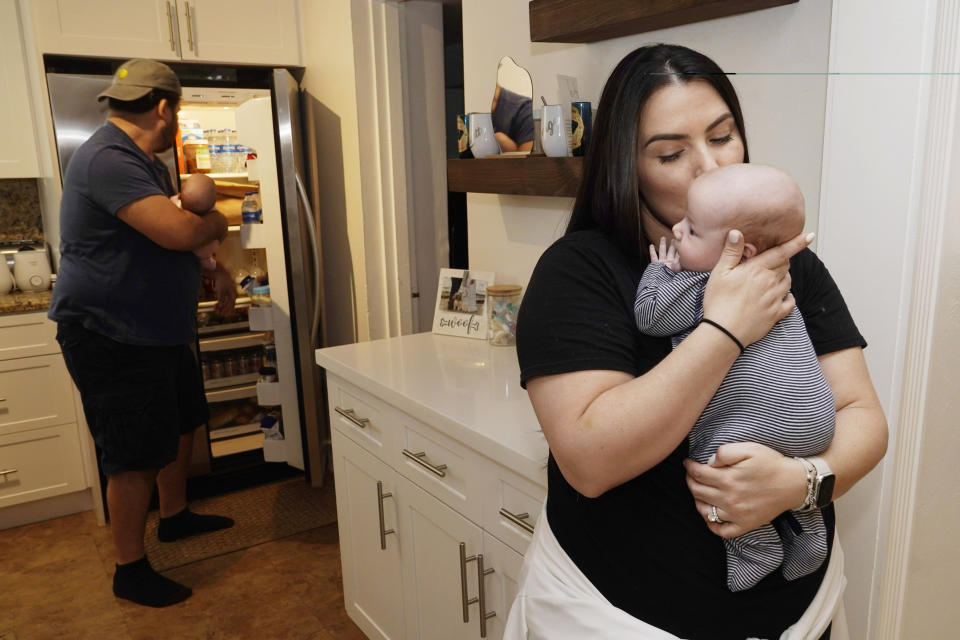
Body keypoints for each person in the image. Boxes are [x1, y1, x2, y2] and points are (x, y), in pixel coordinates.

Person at [504, 44, 887, 640]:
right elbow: (591, 461)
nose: (709, 167)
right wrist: (726, 329)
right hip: (612, 620)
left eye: (723, 135)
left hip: (804, 617)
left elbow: (863, 415)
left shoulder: (790, 265)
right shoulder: (581, 270)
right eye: (672, 152)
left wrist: (802, 481)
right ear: (627, 165)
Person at [48, 59, 237, 608]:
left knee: (179, 424)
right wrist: (221, 221)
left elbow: (174, 234)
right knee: (131, 455)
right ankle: (128, 569)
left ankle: (174, 517)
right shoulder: (109, 157)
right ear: (164, 108)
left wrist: (215, 267)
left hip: (155, 329)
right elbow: (180, 229)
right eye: (176, 109)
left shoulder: (145, 163)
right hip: (113, 334)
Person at [635, 163, 834, 592]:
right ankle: (811, 533)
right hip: (817, 425)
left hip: (752, 432)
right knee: (782, 477)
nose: (677, 228)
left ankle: (753, 545)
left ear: (739, 251)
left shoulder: (706, 285)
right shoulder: (780, 278)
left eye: (691, 230)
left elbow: (650, 316)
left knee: (714, 463)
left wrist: (661, 270)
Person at [178, 173, 220, 271]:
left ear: (180, 196)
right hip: (205, 249)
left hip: (185, 252)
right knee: (205, 258)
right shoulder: (212, 211)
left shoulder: (176, 205)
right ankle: (209, 263)